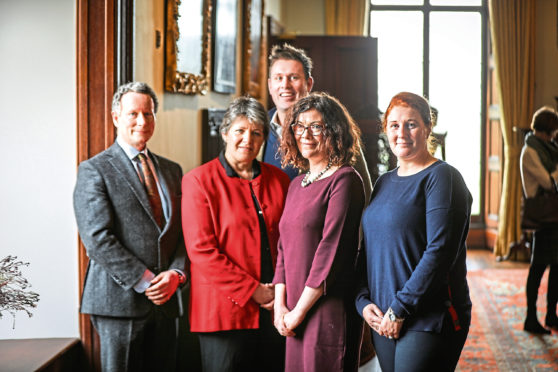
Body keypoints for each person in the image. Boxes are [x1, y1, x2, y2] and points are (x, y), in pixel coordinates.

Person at [73, 82, 187, 372]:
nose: (141, 121)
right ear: (116, 117)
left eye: (148, 114)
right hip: (118, 303)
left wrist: (175, 274)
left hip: (167, 302)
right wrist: (147, 280)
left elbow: (183, 232)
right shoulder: (94, 169)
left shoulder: (172, 170)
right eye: (133, 114)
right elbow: (97, 239)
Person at [356, 92, 472, 371]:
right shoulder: (383, 182)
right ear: (386, 130)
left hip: (428, 316)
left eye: (411, 124)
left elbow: (440, 251)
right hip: (383, 315)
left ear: (427, 128)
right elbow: (369, 247)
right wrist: (362, 300)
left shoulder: (443, 177)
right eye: (394, 125)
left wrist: (401, 309)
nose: (402, 133)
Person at [181, 96, 290, 372]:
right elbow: (201, 251)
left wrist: (278, 291)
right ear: (225, 132)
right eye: (240, 131)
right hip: (223, 312)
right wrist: (254, 291)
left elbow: (290, 242)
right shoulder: (199, 181)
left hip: (276, 307)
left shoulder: (279, 179)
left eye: (256, 133)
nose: (247, 140)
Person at [273, 92, 365, 372]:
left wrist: (299, 312)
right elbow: (283, 250)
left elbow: (331, 253)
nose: (306, 134)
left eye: (316, 126)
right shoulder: (296, 184)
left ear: (334, 132)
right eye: (299, 126)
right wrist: (280, 308)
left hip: (326, 310)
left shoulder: (345, 180)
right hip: (292, 312)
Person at [264, 43, 373, 203]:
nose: (285, 85)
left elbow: (364, 193)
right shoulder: (257, 128)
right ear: (270, 85)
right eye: (278, 78)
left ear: (309, 84)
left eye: (293, 77)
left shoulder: (335, 128)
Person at [520, 106, 558, 334]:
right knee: (538, 268)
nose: (554, 136)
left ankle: (551, 314)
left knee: (557, 267)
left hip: (554, 214)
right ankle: (530, 317)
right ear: (544, 131)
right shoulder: (530, 151)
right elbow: (547, 183)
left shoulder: (549, 149)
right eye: (552, 131)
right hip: (544, 216)